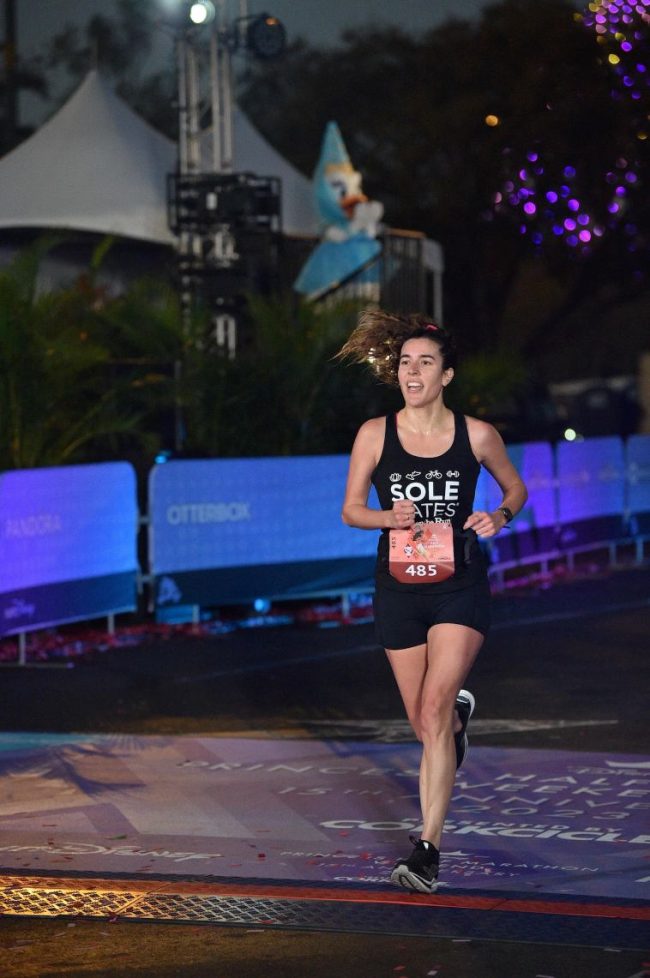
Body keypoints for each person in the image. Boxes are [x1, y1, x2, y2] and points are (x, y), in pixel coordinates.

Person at [339, 309, 528, 894]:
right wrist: (386, 517)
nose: (412, 372)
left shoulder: (477, 435)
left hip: (458, 586)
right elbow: (351, 510)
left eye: (425, 362)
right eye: (405, 363)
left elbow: (515, 487)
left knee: (436, 705)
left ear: (446, 375)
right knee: (426, 722)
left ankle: (427, 850)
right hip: (398, 588)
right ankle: (456, 724)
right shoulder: (375, 434)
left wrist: (499, 515)